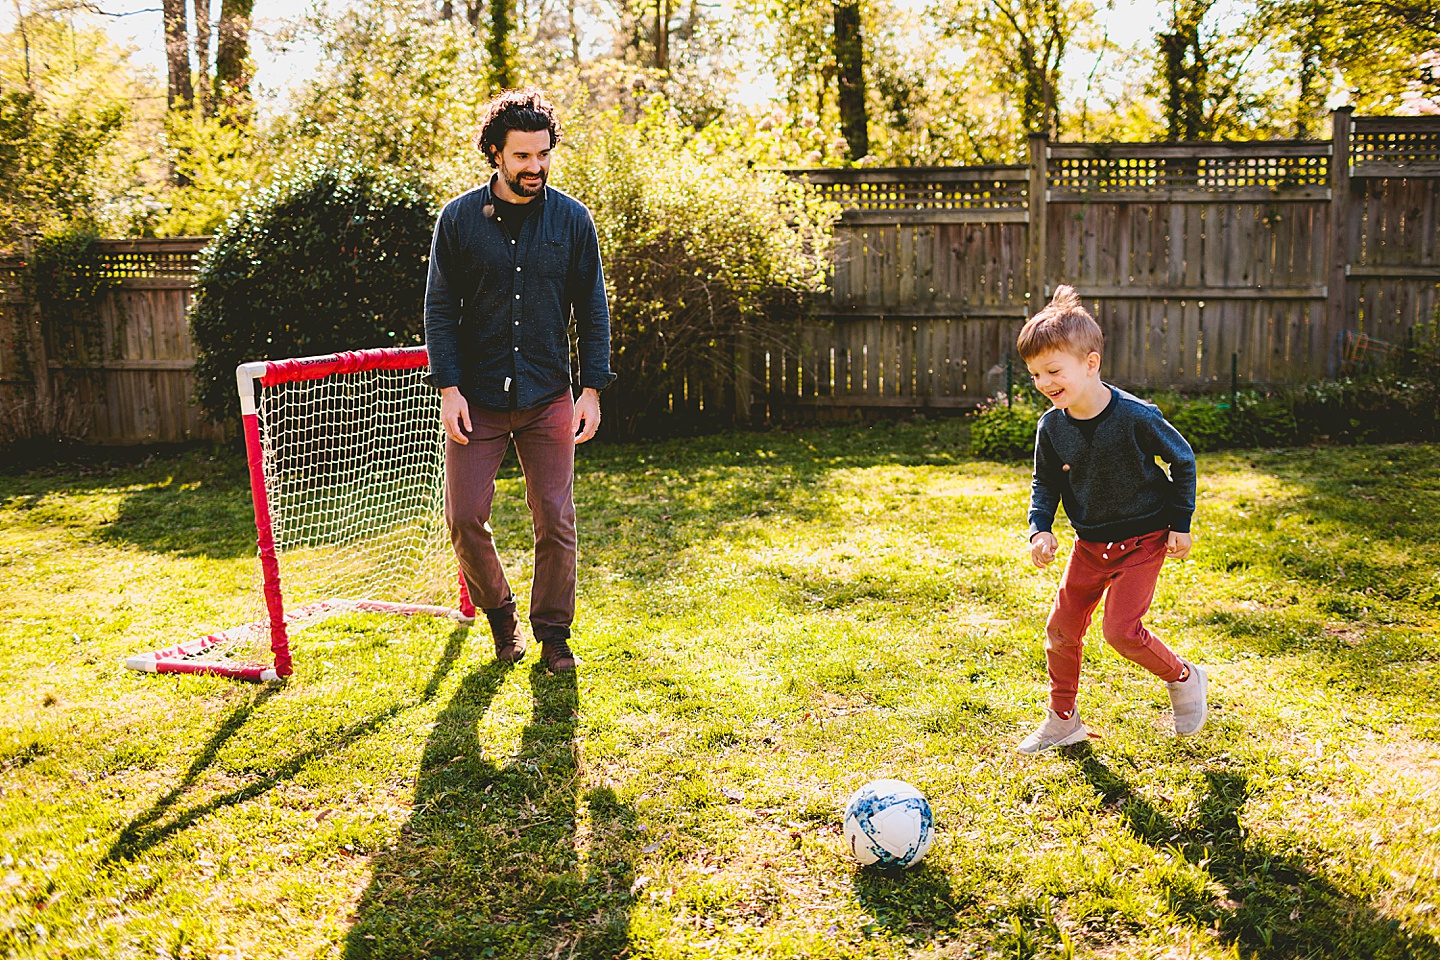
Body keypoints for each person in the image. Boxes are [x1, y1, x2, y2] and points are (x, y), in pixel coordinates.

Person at [424, 89, 615, 674]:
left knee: (555, 519)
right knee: (463, 518)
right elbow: (439, 312)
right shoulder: (457, 220)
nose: (536, 166)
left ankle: (553, 633)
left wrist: (592, 389)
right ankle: (502, 617)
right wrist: (449, 388)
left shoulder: (573, 220)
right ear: (495, 154)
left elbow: (594, 308)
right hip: (475, 399)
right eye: (523, 156)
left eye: (544, 153)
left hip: (548, 396)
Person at [1015, 285, 1208, 753]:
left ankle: (1184, 677)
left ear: (1091, 363)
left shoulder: (1136, 417)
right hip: (1090, 545)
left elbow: (1182, 459)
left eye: (1053, 370)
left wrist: (1180, 522)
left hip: (1144, 537)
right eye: (1035, 374)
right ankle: (1063, 720)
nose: (1044, 382)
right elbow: (1046, 484)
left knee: (1121, 631)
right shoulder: (1052, 426)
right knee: (1061, 630)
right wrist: (1040, 528)